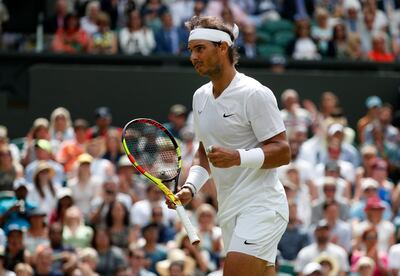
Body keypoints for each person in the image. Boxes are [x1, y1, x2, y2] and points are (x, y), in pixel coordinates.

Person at [167, 15, 291, 276]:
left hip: (262, 206)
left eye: (200, 49)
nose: (193, 57)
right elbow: (204, 153)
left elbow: (282, 151)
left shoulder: (254, 93)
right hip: (230, 210)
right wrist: (191, 187)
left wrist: (238, 157)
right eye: (191, 50)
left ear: (222, 48)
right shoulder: (199, 97)